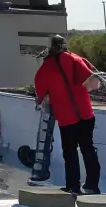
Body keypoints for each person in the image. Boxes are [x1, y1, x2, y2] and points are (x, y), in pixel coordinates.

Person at [33, 35, 102, 195]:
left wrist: (46, 99)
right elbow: (94, 79)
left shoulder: (47, 66)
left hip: (67, 118)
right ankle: (92, 185)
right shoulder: (76, 59)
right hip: (86, 115)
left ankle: (73, 186)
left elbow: (40, 91)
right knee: (88, 149)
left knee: (70, 152)